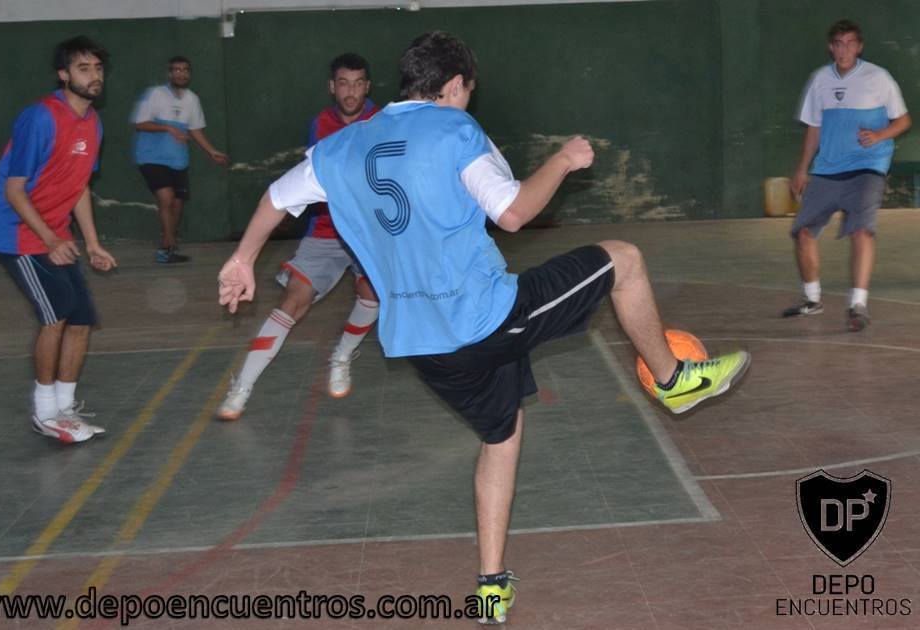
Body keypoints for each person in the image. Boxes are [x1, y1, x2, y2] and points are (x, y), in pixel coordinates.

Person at [217, 32, 750, 624]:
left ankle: (491, 586)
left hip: (422, 348)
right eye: (468, 90)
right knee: (623, 260)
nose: (468, 100)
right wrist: (563, 160)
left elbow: (275, 198)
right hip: (486, 319)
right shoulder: (454, 129)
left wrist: (242, 259)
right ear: (452, 86)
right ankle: (674, 380)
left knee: (501, 435)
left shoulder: (340, 148)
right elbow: (514, 212)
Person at [216, 53, 380, 421]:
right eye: (343, 83)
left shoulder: (382, 122)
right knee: (292, 301)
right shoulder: (320, 124)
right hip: (325, 231)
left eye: (358, 84)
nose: (351, 92)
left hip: (368, 232)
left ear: (367, 87)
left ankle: (341, 356)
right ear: (332, 87)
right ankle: (241, 387)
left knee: (372, 293)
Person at [0, 36, 117, 444]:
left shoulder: (93, 122)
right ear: (63, 74)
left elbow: (78, 187)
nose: (94, 76)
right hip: (15, 231)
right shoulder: (40, 117)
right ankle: (44, 412)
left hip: (54, 232)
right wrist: (50, 240)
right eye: (83, 68)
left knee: (81, 318)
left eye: (98, 68)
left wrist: (91, 243)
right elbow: (14, 190)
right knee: (55, 314)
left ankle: (64, 408)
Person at [784, 19, 911, 331]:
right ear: (831, 47)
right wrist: (801, 169)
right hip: (827, 169)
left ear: (859, 47)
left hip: (868, 167)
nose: (845, 50)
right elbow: (814, 128)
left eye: (851, 43)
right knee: (802, 233)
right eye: (839, 44)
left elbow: (903, 120)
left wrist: (879, 135)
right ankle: (812, 300)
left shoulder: (879, 78)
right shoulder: (820, 80)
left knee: (861, 231)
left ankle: (858, 305)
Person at [132, 55, 229, 263]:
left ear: (189, 74)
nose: (181, 74)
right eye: (176, 70)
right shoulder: (154, 94)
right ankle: (169, 245)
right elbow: (140, 123)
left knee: (177, 204)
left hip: (178, 160)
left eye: (185, 70)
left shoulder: (192, 99)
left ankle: (167, 247)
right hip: (151, 158)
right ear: (169, 73)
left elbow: (195, 130)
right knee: (166, 197)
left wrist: (211, 151)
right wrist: (168, 128)